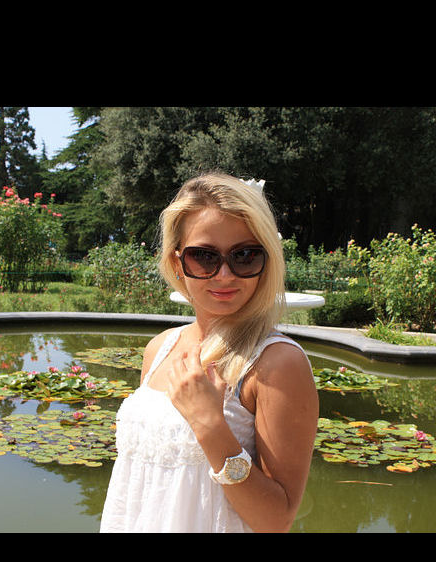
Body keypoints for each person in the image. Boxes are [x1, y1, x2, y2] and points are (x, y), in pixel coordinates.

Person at [99, 172, 318, 533]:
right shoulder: (160, 348)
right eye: (204, 257)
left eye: (244, 256)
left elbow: (275, 520)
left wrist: (211, 427)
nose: (225, 275)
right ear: (177, 263)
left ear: (266, 260)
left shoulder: (276, 363)